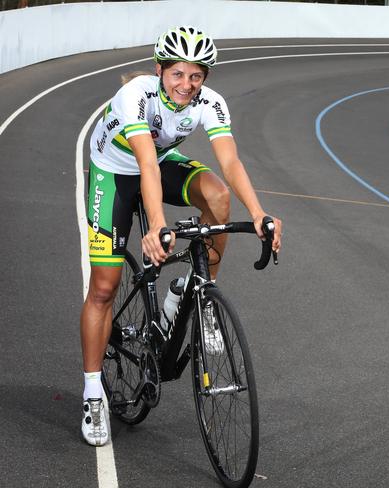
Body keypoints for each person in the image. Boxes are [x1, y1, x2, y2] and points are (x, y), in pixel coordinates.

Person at [80, 25, 282, 446]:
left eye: (196, 76)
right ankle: (94, 391)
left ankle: (198, 288)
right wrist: (156, 224)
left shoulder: (210, 103)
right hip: (115, 171)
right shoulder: (136, 94)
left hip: (159, 160)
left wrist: (261, 215)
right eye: (177, 74)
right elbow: (145, 168)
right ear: (160, 70)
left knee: (218, 197)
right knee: (104, 286)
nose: (187, 85)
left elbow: (230, 163)